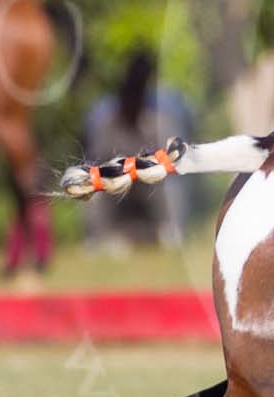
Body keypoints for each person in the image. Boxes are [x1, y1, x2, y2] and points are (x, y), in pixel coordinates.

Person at [80, 50, 193, 251]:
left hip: (151, 182)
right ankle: (98, 240)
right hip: (117, 183)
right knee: (91, 180)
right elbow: (95, 159)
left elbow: (174, 158)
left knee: (174, 181)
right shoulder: (103, 116)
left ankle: (171, 233)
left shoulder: (161, 116)